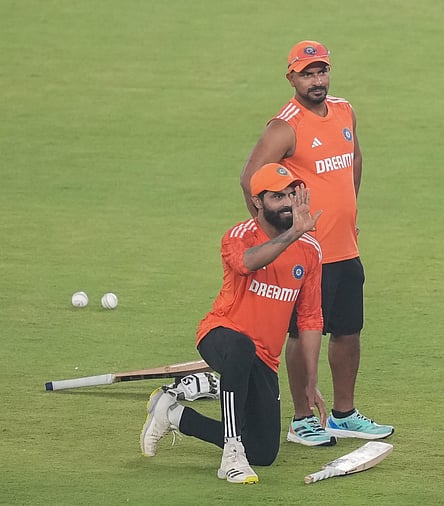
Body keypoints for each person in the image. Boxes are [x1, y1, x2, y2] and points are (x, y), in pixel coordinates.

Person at [238, 40, 393, 446]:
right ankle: (303, 418)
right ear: (291, 77)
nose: (317, 80)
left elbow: (354, 159)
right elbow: (251, 179)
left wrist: (351, 212)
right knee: (300, 335)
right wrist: (270, 235)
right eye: (307, 73)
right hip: (306, 253)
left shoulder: (344, 111)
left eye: (321, 71)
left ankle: (343, 414)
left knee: (348, 331)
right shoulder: (284, 126)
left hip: (345, 247)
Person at [140, 163, 327, 484]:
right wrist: (293, 233)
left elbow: (310, 318)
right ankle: (231, 453)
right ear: (257, 202)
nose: (286, 203)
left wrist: (310, 380)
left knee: (264, 452)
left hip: (265, 358)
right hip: (220, 336)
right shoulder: (238, 235)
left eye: (290, 194)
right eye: (276, 196)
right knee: (241, 347)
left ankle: (172, 413)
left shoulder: (309, 251)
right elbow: (245, 263)